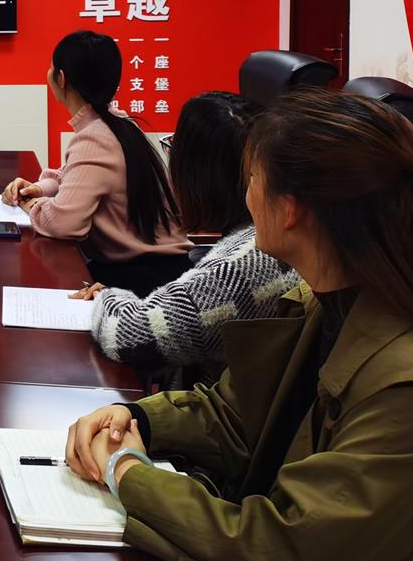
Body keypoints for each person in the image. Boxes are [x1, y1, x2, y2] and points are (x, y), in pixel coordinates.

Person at [63, 89, 413, 561]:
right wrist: (135, 419)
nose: (247, 195)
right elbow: (234, 415)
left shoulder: (408, 384)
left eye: (252, 178)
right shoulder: (318, 301)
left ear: (291, 209)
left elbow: (285, 553)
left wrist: (125, 471)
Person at [70, 91, 297, 384]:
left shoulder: (248, 261)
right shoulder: (270, 240)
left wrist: (107, 297)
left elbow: (129, 336)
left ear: (199, 175)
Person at [1, 31, 190, 295]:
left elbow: (63, 223)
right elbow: (73, 177)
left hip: (142, 281)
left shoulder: (94, 139)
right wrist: (40, 188)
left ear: (61, 78)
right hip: (160, 268)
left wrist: (30, 204)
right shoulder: (120, 124)